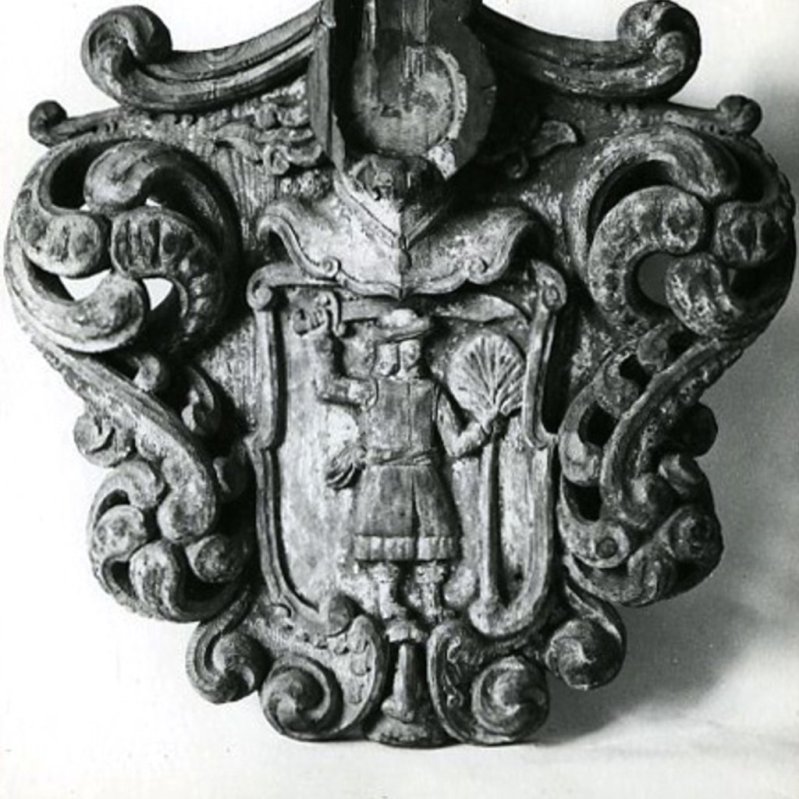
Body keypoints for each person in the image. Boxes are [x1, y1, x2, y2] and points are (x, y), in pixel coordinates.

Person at [307, 307, 495, 625]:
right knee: (385, 547)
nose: (414, 351)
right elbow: (328, 387)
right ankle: (387, 599)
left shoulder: (431, 392)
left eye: (418, 343)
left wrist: (482, 427)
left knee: (432, 544)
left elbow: (454, 444)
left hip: (424, 477)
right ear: (389, 350)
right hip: (383, 479)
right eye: (407, 343)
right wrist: (321, 341)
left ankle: (432, 600)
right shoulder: (371, 390)